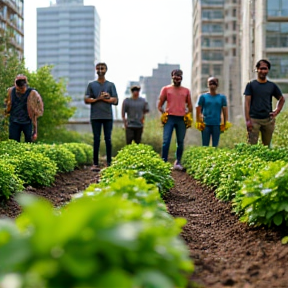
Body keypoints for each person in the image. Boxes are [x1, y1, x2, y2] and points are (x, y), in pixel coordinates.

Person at [84, 62, 118, 171]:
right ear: (95, 69)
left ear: (106, 70)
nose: (100, 70)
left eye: (102, 68)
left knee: (108, 139)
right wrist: (97, 99)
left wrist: (107, 98)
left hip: (107, 116)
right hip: (95, 116)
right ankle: (95, 164)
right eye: (98, 68)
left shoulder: (110, 85)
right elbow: (86, 99)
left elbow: (115, 100)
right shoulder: (91, 85)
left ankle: (109, 163)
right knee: (96, 139)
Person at [244, 59, 285, 147]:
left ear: (268, 70)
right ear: (257, 69)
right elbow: (247, 103)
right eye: (261, 68)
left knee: (266, 146)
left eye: (265, 69)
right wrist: (248, 120)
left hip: (268, 120)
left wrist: (276, 111)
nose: (263, 71)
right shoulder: (251, 85)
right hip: (254, 120)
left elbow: (281, 99)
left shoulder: (272, 86)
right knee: (251, 146)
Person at [157, 69, 192, 170]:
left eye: (179, 76)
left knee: (180, 141)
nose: (177, 78)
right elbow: (160, 105)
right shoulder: (166, 89)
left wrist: (187, 114)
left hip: (181, 119)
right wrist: (163, 114)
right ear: (172, 76)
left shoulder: (186, 91)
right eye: (175, 75)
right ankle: (164, 162)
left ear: (182, 77)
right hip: (170, 118)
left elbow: (189, 105)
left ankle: (178, 162)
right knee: (166, 141)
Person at [5, 74, 44, 142]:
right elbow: (5, 102)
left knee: (29, 142)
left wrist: (35, 112)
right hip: (14, 121)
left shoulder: (32, 93)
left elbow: (40, 106)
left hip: (27, 121)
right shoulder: (10, 91)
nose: (20, 87)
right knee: (13, 142)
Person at [196, 76, 228, 147]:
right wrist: (199, 121)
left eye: (214, 83)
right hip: (205, 124)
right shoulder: (203, 97)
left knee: (215, 145)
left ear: (217, 84)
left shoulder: (222, 97)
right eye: (210, 83)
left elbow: (225, 111)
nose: (212, 85)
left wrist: (224, 123)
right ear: (207, 84)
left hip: (216, 124)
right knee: (205, 145)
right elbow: (198, 109)